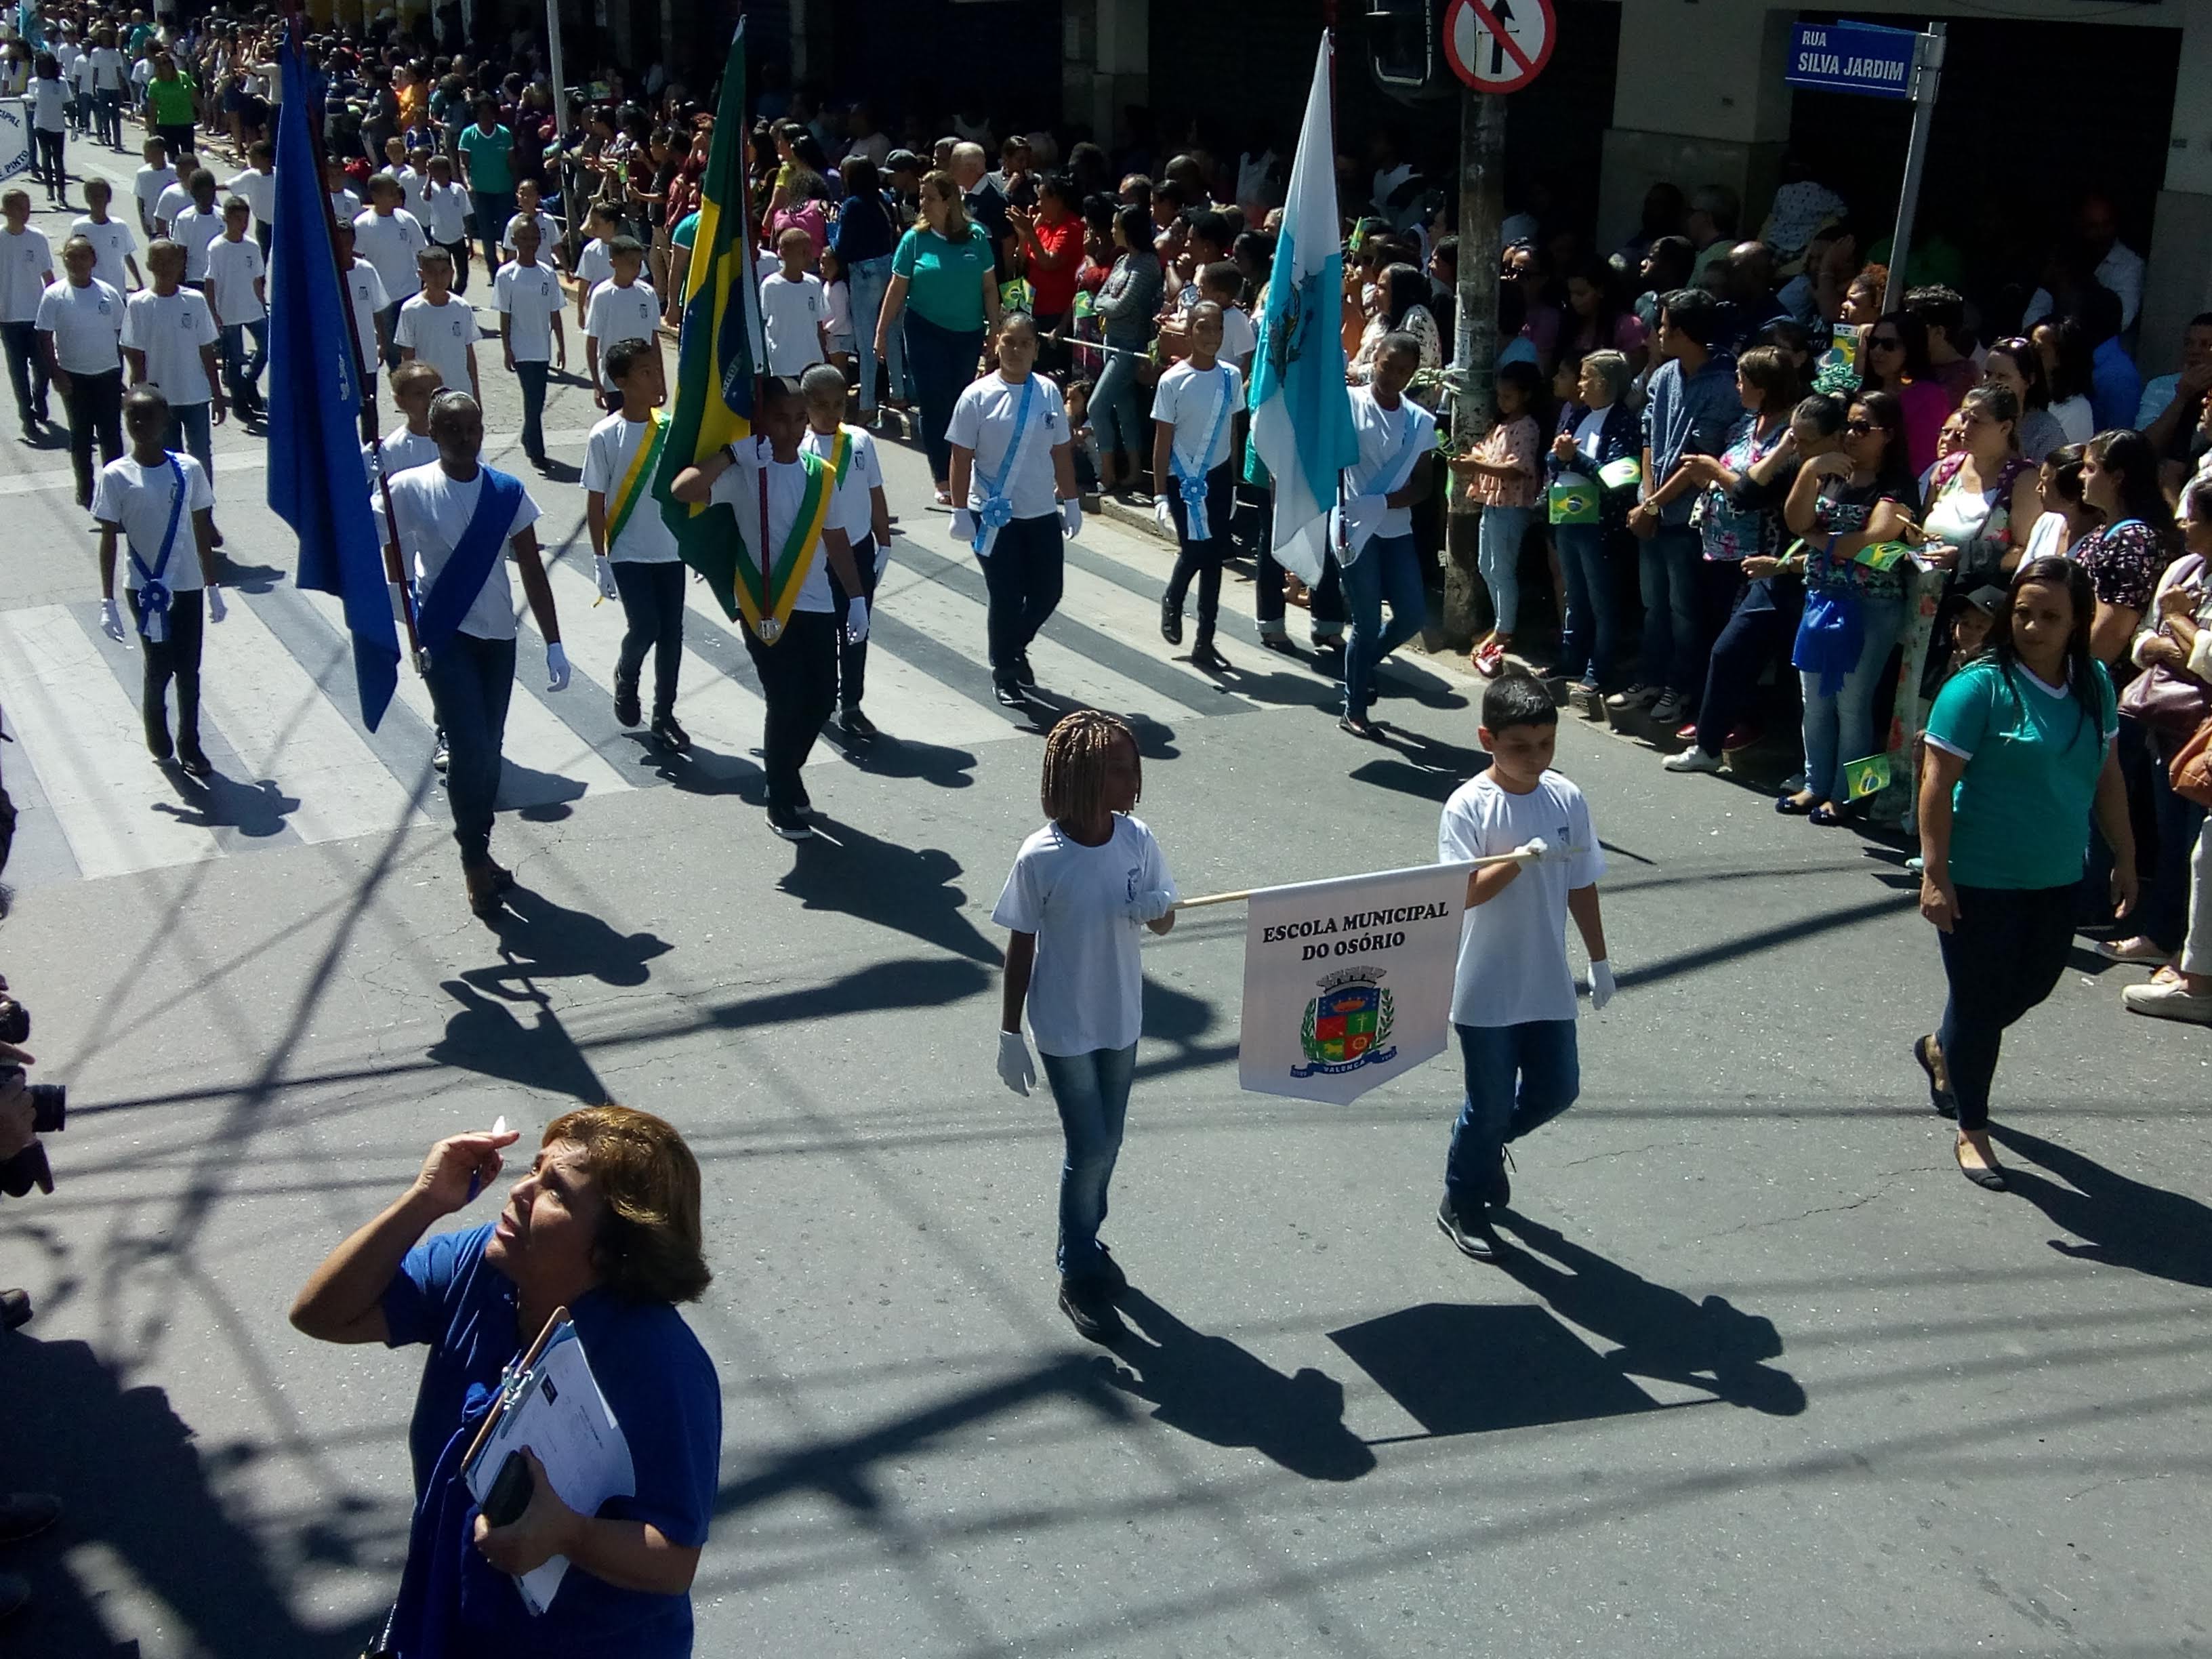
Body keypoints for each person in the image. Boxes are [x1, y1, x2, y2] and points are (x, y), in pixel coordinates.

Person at [287, 1107, 720, 1655]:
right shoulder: (482, 1266)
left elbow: (674, 1561)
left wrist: (570, 1534)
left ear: (614, 1249)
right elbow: (323, 1315)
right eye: (534, 1169)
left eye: (555, 1190)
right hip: (446, 1625)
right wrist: (424, 1199)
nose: (520, 1191)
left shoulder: (662, 1364)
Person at [1915, 557, 2133, 1189]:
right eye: (2023, 613)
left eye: (2051, 617)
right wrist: (1935, 874)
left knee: (2033, 986)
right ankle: (1973, 1128)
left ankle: (1942, 1047)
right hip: (1979, 876)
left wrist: (2126, 856)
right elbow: (1936, 785)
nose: (2033, 627)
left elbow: (2108, 776)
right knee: (1980, 1005)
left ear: (2078, 622)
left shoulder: (2094, 683)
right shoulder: (1978, 688)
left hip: (2057, 874)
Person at [990, 708, 1177, 1342]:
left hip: (1121, 1017)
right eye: (1118, 770)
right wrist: (1009, 1032)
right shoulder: (1041, 856)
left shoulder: (1137, 839)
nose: (1133, 780)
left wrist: (1158, 908)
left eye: (1132, 768)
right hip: (1064, 1025)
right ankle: (1076, 1269)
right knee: (1090, 1147)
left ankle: (1086, 1242)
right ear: (1082, 776)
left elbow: (1165, 917)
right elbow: (1020, 944)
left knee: (1109, 1143)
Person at [1434, 674, 1612, 1261]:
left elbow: (1581, 883)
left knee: (1558, 1090)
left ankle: (1479, 1147)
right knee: (1487, 1103)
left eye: (1546, 744)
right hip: (1484, 986)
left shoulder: (1567, 798)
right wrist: (1517, 859)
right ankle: (1461, 1199)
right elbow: (1463, 893)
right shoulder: (1468, 806)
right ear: (1488, 739)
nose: (1536, 758)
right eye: (1520, 747)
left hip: (1546, 980)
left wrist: (1599, 959)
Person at [377, 390, 569, 914]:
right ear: (433, 433)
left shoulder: (506, 491)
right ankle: (473, 862)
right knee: (469, 750)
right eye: (453, 429)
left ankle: (480, 849)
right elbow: (371, 542)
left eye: (473, 429)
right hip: (445, 635)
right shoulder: (409, 487)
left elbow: (532, 568)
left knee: (489, 751)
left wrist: (554, 642)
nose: (465, 438)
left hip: (498, 637)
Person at [670, 375, 872, 840]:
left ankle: (785, 772)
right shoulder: (748, 473)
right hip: (764, 605)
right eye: (781, 419)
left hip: (816, 602)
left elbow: (836, 539)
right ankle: (780, 800)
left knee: (821, 698)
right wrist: (732, 454)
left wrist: (857, 597)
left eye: (800, 419)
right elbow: (683, 490)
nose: (793, 428)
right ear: (761, 421)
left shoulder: (821, 474)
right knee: (785, 700)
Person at [1664, 351, 1809, 771]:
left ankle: (1751, 727)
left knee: (1751, 651)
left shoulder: (1791, 435)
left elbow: (1753, 492)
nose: (1737, 386)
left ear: (1764, 387)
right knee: (1723, 643)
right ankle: (1712, 732)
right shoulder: (1747, 423)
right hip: (1721, 550)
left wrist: (1715, 471)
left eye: (1743, 380)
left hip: (1766, 555)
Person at [1780, 389, 1920, 820]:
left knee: (1854, 704)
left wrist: (1819, 541)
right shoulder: (1831, 475)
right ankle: (1815, 784)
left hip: (1872, 606)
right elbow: (1795, 520)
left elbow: (1875, 540)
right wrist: (1810, 471)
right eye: (1849, 426)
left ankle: (1851, 794)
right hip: (1822, 599)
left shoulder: (1898, 484)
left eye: (1863, 427)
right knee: (1816, 700)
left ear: (1888, 434)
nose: (1852, 435)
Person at [2103, 481, 2212, 976]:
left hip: (2203, 729)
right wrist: (2169, 644)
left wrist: (2180, 622)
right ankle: (2161, 935)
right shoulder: (2182, 569)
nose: (2184, 524)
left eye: (2194, 516)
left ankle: (2192, 957)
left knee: (2199, 845)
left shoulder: (2180, 596)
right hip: (2163, 723)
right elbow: (2143, 639)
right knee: (2169, 838)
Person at [1616, 287, 1737, 726]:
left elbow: (1700, 457)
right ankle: (1650, 677)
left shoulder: (1724, 384)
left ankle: (1680, 687)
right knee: (1654, 604)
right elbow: (1649, 434)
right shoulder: (1665, 374)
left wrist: (1654, 506)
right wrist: (1648, 501)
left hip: (1688, 517)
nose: (1657, 333)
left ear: (1685, 332)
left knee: (1685, 610)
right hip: (1652, 510)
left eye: (1664, 326)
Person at [949, 312, 1082, 707]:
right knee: (1006, 595)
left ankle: (1014, 644)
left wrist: (1072, 501)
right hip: (992, 515)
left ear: (1036, 349)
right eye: (1009, 341)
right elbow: (960, 456)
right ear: (996, 344)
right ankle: (1004, 670)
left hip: (1039, 512)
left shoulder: (1048, 392)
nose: (1016, 350)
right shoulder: (977, 396)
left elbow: (1061, 450)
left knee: (1048, 592)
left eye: (1025, 343)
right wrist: (959, 510)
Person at [92, 386, 222, 775]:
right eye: (132, 415)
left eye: (148, 415)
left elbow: (201, 529)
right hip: (144, 588)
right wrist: (107, 600)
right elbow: (109, 540)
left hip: (187, 586)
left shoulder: (188, 469)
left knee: (189, 669)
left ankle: (190, 743)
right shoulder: (116, 475)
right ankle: (157, 729)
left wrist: (212, 586)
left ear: (166, 420)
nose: (139, 423)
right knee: (159, 664)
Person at [1328, 333, 1437, 739]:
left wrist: (1387, 503)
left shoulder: (1419, 422)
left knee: (1411, 615)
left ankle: (1362, 663)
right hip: (1354, 526)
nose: (1393, 377)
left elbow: (1424, 484)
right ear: (1375, 358)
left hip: (1395, 527)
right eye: (1388, 366)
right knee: (1367, 619)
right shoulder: (1348, 403)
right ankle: (1354, 709)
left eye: (1403, 371)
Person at [583, 335, 688, 748]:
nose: (656, 378)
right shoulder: (605, 435)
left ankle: (664, 714)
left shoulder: (672, 429)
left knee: (672, 634)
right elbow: (596, 501)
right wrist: (600, 559)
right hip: (628, 552)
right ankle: (627, 675)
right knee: (645, 626)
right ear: (622, 382)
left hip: (671, 549)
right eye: (645, 372)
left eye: (656, 369)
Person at [875, 169, 1002, 505]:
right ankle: (943, 476)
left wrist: (994, 329)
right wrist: (881, 331)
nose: (923, 203)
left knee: (962, 403)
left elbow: (989, 288)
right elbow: (897, 289)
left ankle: (966, 470)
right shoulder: (914, 239)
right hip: (924, 330)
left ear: (949, 202)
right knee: (934, 402)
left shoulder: (976, 237)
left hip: (967, 333)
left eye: (930, 198)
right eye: (922, 196)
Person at [1148, 302, 1242, 672]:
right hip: (1183, 479)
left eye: (1217, 328)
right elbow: (1163, 439)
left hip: (1217, 477)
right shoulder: (1173, 381)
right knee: (1194, 550)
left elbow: (1231, 432)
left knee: (1215, 557)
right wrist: (1159, 493)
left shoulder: (1231, 377)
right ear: (1189, 331)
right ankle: (1173, 599)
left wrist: (1233, 483)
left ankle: (1205, 638)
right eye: (1202, 327)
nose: (1210, 336)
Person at [800, 363, 892, 739]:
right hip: (816, 558)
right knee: (821, 633)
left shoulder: (860, 441)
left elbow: (874, 492)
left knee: (856, 630)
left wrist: (884, 542)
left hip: (858, 549)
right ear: (806, 405)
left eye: (838, 404)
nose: (831, 413)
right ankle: (819, 697)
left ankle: (851, 704)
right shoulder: (799, 447)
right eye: (821, 405)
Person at [1545, 348, 1639, 694]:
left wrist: (1575, 459)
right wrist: (1560, 456)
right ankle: (1571, 660)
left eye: (1586, 378)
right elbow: (1553, 458)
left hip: (1599, 525)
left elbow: (1619, 480)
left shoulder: (1624, 423)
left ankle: (1598, 670)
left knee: (1602, 601)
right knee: (1575, 596)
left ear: (1604, 382)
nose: (1580, 384)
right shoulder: (1579, 414)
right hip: (1568, 516)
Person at [1451, 359, 1542, 679]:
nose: (1502, 402)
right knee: (1486, 566)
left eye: (1508, 396)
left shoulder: (1527, 427)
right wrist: (1472, 459)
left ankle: (1505, 630)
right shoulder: (1500, 426)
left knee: (1502, 568)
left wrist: (1475, 466)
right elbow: (1484, 451)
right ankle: (1501, 623)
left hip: (1511, 505)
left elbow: (1518, 469)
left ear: (1525, 395)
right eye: (1500, 396)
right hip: (1493, 502)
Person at [120, 239, 223, 510]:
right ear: (149, 265)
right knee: (169, 458)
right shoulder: (139, 304)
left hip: (195, 395)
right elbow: (134, 354)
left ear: (181, 265)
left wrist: (218, 394)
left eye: (171, 261)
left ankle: (202, 511)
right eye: (159, 262)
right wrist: (138, 394)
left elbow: (207, 350)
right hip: (159, 400)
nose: (165, 267)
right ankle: (175, 512)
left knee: (200, 457)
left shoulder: (195, 300)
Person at [1077, 203, 1160, 501]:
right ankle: (1134, 469)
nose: (1112, 231)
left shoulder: (1148, 264)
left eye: (1117, 226)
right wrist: (1105, 305)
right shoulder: (1123, 259)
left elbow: (1122, 305)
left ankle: (1108, 472)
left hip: (1129, 346)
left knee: (1097, 406)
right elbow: (1102, 295)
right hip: (1110, 341)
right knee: (1124, 409)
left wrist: (1103, 306)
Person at [2072, 428, 2176, 666]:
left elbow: (2113, 632)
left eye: (2090, 468)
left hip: (2101, 676)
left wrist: (2074, 679)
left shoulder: (2134, 540)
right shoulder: (2102, 532)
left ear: (2117, 477)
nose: (2081, 476)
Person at [37, 234, 125, 509]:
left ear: (93, 260)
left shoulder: (108, 293)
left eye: (82, 256)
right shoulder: (54, 295)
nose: (77, 262)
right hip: (73, 377)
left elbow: (123, 334)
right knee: (82, 436)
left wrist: (123, 374)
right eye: (71, 256)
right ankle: (85, 490)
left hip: (108, 375)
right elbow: (44, 337)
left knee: (111, 437)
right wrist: (56, 374)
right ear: (64, 260)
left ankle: (115, 492)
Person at [493, 216, 565, 470]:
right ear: (514, 241)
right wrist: (507, 349)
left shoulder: (547, 273)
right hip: (521, 347)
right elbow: (505, 315)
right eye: (523, 238)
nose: (529, 243)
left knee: (538, 399)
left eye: (534, 238)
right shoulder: (506, 275)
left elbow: (555, 312)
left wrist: (561, 346)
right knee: (532, 399)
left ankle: (527, 436)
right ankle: (538, 451)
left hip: (542, 347)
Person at [1859, 308, 1948, 476]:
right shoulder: (1865, 391)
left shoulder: (1928, 397)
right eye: (1873, 342)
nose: (1877, 351)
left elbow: (1923, 461)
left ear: (1911, 349)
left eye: (1888, 345)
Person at [352, 173, 428, 369]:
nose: (396, 197)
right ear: (375, 196)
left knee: (415, 344)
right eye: (390, 194)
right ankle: (398, 378)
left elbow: (422, 251)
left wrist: (426, 282)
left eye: (396, 193)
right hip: (383, 298)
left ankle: (418, 380)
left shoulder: (407, 219)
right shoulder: (362, 225)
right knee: (392, 350)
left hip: (410, 292)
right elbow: (356, 260)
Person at [205, 196, 266, 420]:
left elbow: (257, 279)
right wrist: (213, 312)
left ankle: (249, 382)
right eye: (238, 219)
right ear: (227, 219)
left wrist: (262, 304)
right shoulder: (217, 247)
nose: (243, 224)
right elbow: (210, 282)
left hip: (253, 309)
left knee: (266, 348)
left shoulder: (252, 246)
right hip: (229, 311)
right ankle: (240, 404)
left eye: (246, 219)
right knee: (235, 359)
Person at [0, 189, 55, 440]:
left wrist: (56, 306)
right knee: (18, 371)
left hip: (37, 315)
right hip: (8, 317)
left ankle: (39, 396)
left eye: (28, 206)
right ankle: (26, 416)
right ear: (8, 210)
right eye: (21, 207)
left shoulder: (37, 238)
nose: (26, 212)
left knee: (43, 367)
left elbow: (48, 276)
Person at [397, 245, 480, 407]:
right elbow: (408, 356)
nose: (438, 278)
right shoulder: (411, 310)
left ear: (452, 273)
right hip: (429, 394)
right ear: (421, 274)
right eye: (432, 272)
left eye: (443, 272)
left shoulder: (461, 307)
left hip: (460, 391)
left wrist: (476, 395)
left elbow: (469, 354)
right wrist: (411, 397)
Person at [584, 235, 659, 409]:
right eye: (630, 262)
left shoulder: (648, 294)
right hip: (615, 381)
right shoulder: (602, 295)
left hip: (644, 379)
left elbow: (654, 339)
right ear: (613, 263)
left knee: (644, 423)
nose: (636, 268)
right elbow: (592, 341)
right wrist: (597, 384)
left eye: (639, 263)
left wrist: (659, 379)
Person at [1981, 337, 2066, 464]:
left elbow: (2051, 475)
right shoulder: (1972, 418)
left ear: (2029, 380)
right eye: (1988, 374)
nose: (1991, 383)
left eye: (2002, 376)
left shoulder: (2046, 432)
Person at [758, 224, 830, 376]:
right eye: (803, 253)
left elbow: (819, 324)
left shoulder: (814, 284)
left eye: (810, 252)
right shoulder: (770, 286)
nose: (810, 258)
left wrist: (824, 355)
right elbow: (762, 322)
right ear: (784, 253)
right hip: (782, 364)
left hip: (812, 362)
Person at [456, 95, 515, 279]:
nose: (485, 116)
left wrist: (516, 185)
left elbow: (511, 163)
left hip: (504, 190)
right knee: (487, 233)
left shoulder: (504, 134)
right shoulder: (468, 135)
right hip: (481, 192)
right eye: (481, 112)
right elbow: (463, 164)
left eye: (489, 112)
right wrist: (468, 184)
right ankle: (493, 271)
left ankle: (507, 269)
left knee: (506, 231)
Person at [364, 359, 443, 487]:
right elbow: (385, 494)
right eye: (419, 394)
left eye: (435, 391)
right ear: (400, 401)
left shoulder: (459, 437)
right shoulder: (392, 448)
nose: (430, 399)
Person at [333, 219, 392, 381]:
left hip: (366, 353)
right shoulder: (325, 275)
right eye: (338, 243)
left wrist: (382, 344)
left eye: (347, 243)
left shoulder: (366, 270)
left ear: (354, 242)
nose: (343, 248)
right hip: (337, 354)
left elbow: (378, 310)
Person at [2030, 316, 2096, 445]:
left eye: (2039, 350)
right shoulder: (2027, 396)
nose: (2030, 354)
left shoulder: (2077, 411)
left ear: (2062, 357)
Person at [73, 176, 142, 294]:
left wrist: (140, 283)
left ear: (108, 198)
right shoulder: (80, 227)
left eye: (100, 196)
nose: (97, 200)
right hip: (91, 290)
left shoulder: (120, 226)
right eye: (92, 196)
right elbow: (73, 259)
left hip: (116, 290)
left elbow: (127, 255)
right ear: (87, 199)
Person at [419, 152, 471, 293]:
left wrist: (470, 239)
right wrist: (429, 177)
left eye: (440, 171)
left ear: (448, 171)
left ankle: (457, 294)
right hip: (440, 239)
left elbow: (466, 214)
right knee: (444, 272)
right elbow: (426, 197)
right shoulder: (431, 189)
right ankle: (447, 294)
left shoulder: (458, 190)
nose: (437, 175)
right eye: (433, 171)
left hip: (458, 238)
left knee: (463, 273)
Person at [29, 52, 68, 207]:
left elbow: (68, 103)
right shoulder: (34, 83)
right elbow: (31, 103)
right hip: (41, 125)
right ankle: (50, 188)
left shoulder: (61, 83)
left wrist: (75, 125)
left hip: (58, 126)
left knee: (58, 160)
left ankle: (62, 193)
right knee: (46, 157)